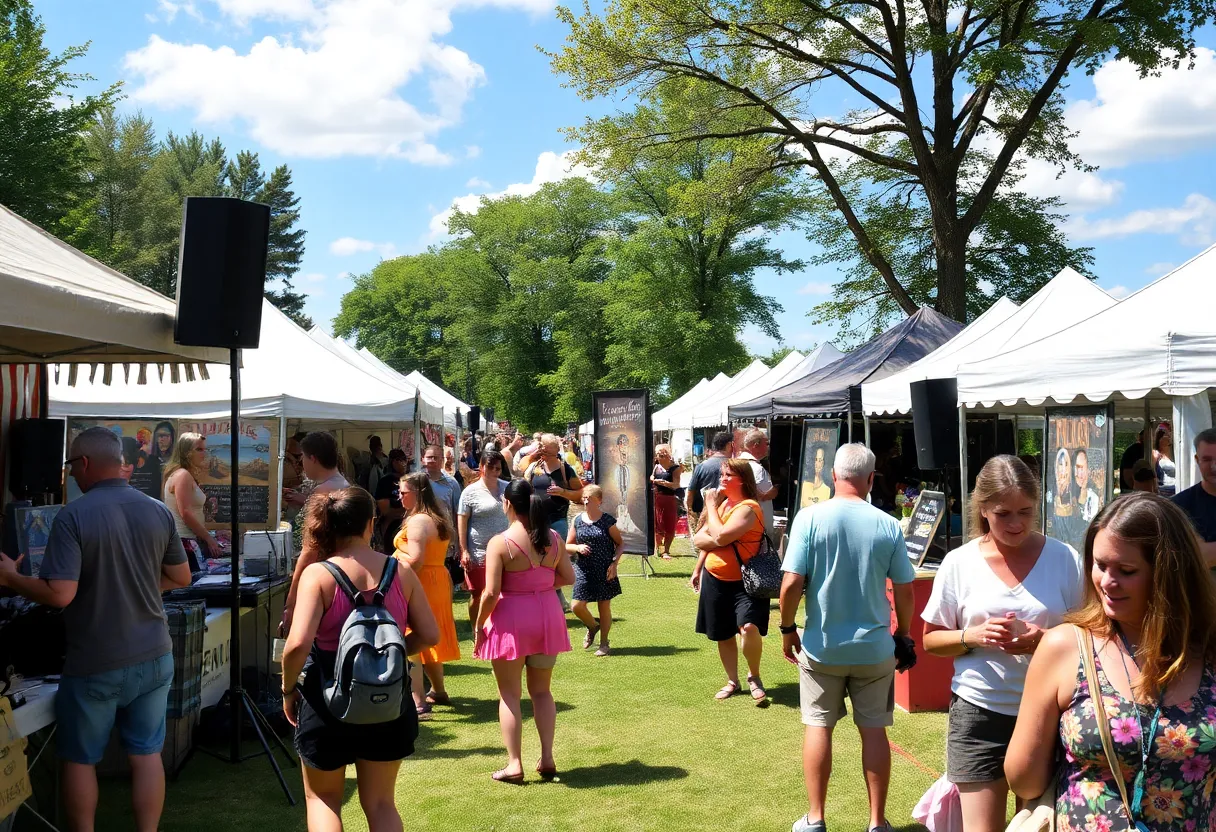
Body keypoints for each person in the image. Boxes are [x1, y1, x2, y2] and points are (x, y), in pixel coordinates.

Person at [0, 427, 192, 832]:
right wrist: (132, 585)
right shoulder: (157, 509)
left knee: (80, 759)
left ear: (84, 463)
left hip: (97, 661)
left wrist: (11, 578)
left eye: (71, 465)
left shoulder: (73, 514)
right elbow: (181, 576)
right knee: (146, 754)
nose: (70, 473)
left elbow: (60, 594)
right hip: (155, 655)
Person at [1006, 494, 1216, 831]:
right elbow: (1024, 780)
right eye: (1100, 565)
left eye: (1126, 570)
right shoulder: (1065, 647)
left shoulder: (1208, 651)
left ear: (1169, 574)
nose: (1106, 581)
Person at [921, 455, 1084, 832]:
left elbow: (1089, 639)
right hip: (979, 712)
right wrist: (972, 636)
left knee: (1038, 827)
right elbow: (930, 640)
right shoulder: (959, 563)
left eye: (1025, 512)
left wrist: (1042, 641)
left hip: (1049, 715)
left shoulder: (1064, 559)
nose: (1016, 524)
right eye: (1003, 514)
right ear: (982, 509)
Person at [281, 486, 439, 832]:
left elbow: (296, 646)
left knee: (323, 799)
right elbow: (430, 635)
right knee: (381, 803)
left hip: (326, 696)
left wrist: (288, 689)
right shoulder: (400, 571)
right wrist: (388, 653)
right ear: (370, 523)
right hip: (387, 697)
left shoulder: (318, 574)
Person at [778, 443, 917, 832]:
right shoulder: (888, 524)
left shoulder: (809, 518)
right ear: (871, 479)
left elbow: (791, 584)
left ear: (832, 475)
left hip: (822, 647)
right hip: (874, 649)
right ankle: (877, 822)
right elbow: (904, 590)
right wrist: (903, 634)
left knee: (818, 726)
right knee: (874, 732)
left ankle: (815, 817)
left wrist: (787, 628)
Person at [474, 478, 575, 784]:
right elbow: (568, 577)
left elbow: (491, 593)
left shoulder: (500, 542)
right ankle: (547, 757)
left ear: (507, 504)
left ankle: (514, 763)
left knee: (509, 695)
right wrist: (540, 585)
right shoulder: (554, 537)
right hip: (547, 615)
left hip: (511, 619)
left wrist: (479, 625)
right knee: (542, 691)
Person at [691, 458, 769, 703]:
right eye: (722, 474)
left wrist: (711, 506)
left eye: (728, 475)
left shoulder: (748, 508)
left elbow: (721, 535)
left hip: (747, 582)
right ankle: (732, 681)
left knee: (749, 627)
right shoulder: (725, 506)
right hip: (715, 578)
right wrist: (698, 567)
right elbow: (699, 539)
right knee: (723, 634)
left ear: (742, 480)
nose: (722, 479)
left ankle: (754, 676)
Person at [393, 472, 461, 717]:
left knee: (412, 637)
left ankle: (418, 702)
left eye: (403, 492)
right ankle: (438, 691)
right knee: (427, 637)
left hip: (421, 582)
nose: (399, 497)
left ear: (417, 493)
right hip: (434, 580)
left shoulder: (418, 521)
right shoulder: (433, 517)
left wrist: (390, 564)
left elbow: (416, 560)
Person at [282, 432, 351, 633]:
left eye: (302, 457)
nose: (301, 463)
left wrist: (291, 601)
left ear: (312, 458)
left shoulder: (325, 491)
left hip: (322, 574)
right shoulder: (340, 485)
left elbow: (309, 547)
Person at [567, 485, 623, 657]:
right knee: (576, 606)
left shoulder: (607, 521)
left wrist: (614, 564)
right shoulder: (577, 520)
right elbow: (567, 545)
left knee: (603, 607)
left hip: (604, 569)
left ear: (599, 501)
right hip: (583, 569)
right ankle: (592, 626)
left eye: (589, 499)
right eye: (584, 498)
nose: (585, 502)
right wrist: (577, 547)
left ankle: (604, 643)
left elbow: (620, 544)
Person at [458, 450, 510, 626]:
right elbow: (462, 521)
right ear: (481, 467)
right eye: (490, 467)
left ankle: (497, 627)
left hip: (505, 551)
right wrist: (464, 550)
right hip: (479, 551)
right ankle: (476, 628)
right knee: (478, 593)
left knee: (502, 593)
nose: (494, 471)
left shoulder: (507, 488)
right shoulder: (469, 492)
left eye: (498, 468)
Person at [163, 432, 220, 572]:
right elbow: (186, 512)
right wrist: (208, 538)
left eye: (205, 449)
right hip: (184, 543)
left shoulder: (182, 474)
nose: (204, 454)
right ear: (186, 452)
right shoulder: (182, 475)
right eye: (199, 449)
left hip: (188, 541)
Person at [522, 434, 584, 542]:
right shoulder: (534, 467)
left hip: (558, 520)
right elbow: (520, 470)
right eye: (542, 451)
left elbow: (580, 495)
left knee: (558, 550)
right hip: (535, 520)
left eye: (547, 453)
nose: (543, 455)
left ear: (556, 452)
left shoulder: (566, 470)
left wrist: (563, 492)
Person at [1171, 427, 1216, 568]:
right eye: (1207, 459)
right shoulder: (1178, 506)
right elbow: (1198, 556)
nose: (1214, 467)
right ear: (1197, 460)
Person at [685, 431, 734, 534]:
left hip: (705, 514)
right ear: (729, 445)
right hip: (728, 513)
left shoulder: (702, 466)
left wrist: (690, 511)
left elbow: (691, 491)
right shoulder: (735, 465)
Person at [422, 444, 462, 554]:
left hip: (444, 540)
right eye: (429, 457)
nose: (432, 460)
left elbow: (457, 513)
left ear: (442, 460)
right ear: (423, 459)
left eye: (436, 457)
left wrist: (459, 544)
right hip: (422, 538)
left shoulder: (452, 483)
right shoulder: (417, 482)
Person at [739, 429, 778, 535]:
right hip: (757, 528)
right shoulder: (755, 468)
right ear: (756, 445)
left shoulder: (739, 464)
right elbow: (754, 494)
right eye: (766, 444)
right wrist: (772, 492)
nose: (768, 447)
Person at [1046, 446, 1085, 548]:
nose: (1063, 468)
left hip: (1072, 531)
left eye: (1066, 464)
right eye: (1060, 464)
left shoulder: (1075, 487)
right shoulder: (1051, 486)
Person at [650, 444, 682, 559]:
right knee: (657, 524)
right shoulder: (656, 466)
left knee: (669, 524)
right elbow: (652, 477)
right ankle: (656, 548)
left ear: (668, 456)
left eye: (661, 455)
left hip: (669, 498)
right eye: (658, 455)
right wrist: (653, 479)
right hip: (657, 498)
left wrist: (663, 483)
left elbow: (676, 485)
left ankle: (666, 550)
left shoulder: (675, 468)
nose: (658, 457)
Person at [374, 449, 410, 551]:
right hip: (390, 529)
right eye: (399, 460)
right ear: (393, 462)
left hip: (408, 528)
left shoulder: (410, 480)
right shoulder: (385, 482)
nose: (403, 463)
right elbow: (385, 511)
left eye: (404, 459)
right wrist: (406, 511)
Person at [1073, 447, 1102, 523]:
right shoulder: (1068, 495)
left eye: (1082, 468)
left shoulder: (1094, 496)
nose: (1079, 474)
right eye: (1077, 468)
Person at [1119, 428, 1151, 493]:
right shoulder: (1134, 450)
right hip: (1130, 491)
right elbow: (1127, 475)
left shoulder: (1149, 452)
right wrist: (1137, 491)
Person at [800, 445, 833, 509]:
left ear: (824, 463)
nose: (817, 463)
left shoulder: (827, 490)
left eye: (820, 460)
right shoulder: (804, 485)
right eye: (816, 459)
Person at [1154, 423, 1177, 497]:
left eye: (1169, 434)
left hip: (1177, 491)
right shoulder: (1156, 454)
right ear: (1159, 439)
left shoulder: (1175, 454)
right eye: (1165, 435)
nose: (1169, 436)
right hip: (1164, 492)